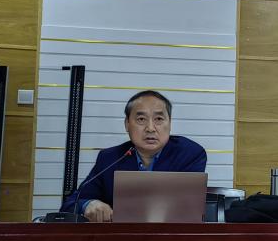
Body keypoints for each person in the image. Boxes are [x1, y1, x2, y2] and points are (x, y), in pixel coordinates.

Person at [60, 90, 207, 222]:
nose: (150, 128)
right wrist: (88, 205)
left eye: (159, 119)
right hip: (122, 239)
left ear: (170, 124)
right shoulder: (110, 158)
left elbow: (188, 210)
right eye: (141, 119)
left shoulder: (189, 154)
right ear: (127, 124)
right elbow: (70, 204)